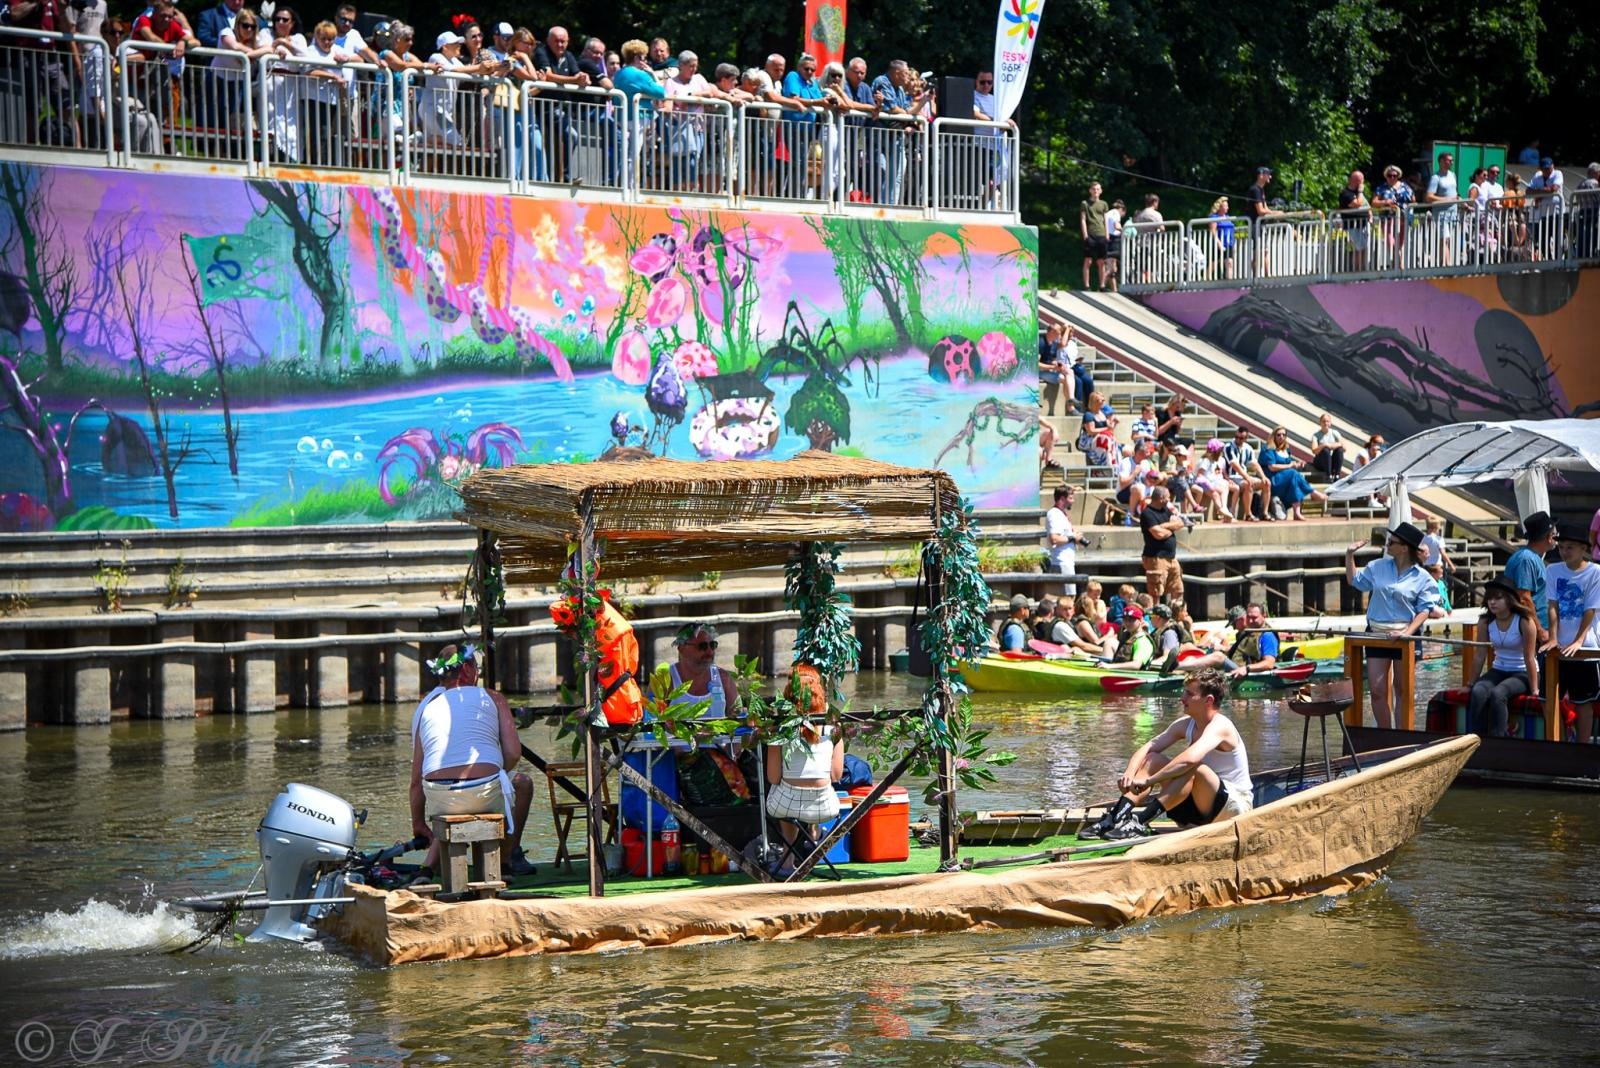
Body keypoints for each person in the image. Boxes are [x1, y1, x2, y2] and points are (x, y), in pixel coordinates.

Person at [409, 643, 536, 878]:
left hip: (440, 797)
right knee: (515, 785)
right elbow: (514, 753)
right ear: (467, 670)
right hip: (484, 791)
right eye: (476, 667)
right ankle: (505, 861)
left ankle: (429, 869)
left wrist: (418, 822)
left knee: (466, 792)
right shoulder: (493, 697)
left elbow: (416, 779)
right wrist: (495, 772)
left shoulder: (428, 707)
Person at [1082, 668, 1253, 840]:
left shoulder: (1221, 725)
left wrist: (1150, 781)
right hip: (1198, 811)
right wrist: (1130, 773)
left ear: (1208, 700)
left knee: (1195, 767)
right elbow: (1149, 747)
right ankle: (1116, 818)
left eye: (1189, 694)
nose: (1182, 699)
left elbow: (1189, 760)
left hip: (1234, 810)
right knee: (1152, 760)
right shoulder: (1186, 724)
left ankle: (1140, 822)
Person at [1347, 522, 1441, 728]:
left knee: (1402, 689)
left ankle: (1402, 734)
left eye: (1392, 542)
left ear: (1405, 548)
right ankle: (1384, 733)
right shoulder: (1377, 566)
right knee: (1377, 688)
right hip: (1377, 634)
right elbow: (1355, 581)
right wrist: (1349, 555)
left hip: (1405, 637)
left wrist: (1407, 632)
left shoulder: (1422, 577)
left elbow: (1425, 610)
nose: (1387, 544)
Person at [765, 671, 845, 867]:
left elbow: (773, 778)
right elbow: (836, 775)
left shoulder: (780, 729)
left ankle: (787, 858)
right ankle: (814, 833)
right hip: (826, 807)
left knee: (783, 788)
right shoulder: (833, 728)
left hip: (785, 806)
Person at [1545, 523, 1600, 745]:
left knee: (1584, 701)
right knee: (1550, 697)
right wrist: (1553, 638)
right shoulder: (1553, 570)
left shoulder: (1595, 572)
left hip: (1586, 646)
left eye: (1570, 548)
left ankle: (1583, 746)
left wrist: (1578, 640)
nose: (1564, 552)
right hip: (1560, 646)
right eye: (1561, 548)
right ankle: (1556, 742)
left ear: (1583, 549)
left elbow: (1590, 609)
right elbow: (1552, 606)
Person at [1466, 574, 1539, 738]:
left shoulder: (1525, 621)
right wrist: (1470, 684)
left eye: (1498, 598)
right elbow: (1480, 655)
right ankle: (1475, 740)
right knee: (1478, 691)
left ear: (1509, 599)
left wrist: (1534, 690)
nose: (1492, 602)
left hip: (1522, 672)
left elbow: (1529, 657)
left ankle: (1498, 739)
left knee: (1498, 694)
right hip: (1498, 669)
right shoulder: (1485, 622)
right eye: (1490, 598)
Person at [1176, 602, 1278, 678]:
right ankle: (1174, 669)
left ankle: (1177, 666)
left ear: (1264, 616)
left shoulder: (1267, 635)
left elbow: (1269, 663)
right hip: (1235, 666)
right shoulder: (1248, 632)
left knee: (1218, 657)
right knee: (1194, 658)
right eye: (1249, 617)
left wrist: (1246, 669)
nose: (1251, 621)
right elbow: (1239, 651)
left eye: (1254, 618)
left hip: (1243, 671)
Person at [667, 623, 740, 720]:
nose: (710, 652)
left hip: (719, 735)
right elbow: (650, 721)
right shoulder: (667, 679)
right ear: (681, 648)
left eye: (712, 645)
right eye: (702, 646)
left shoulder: (723, 678)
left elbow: (739, 716)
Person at [1507, 511, 1556, 642]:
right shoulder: (1526, 559)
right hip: (1530, 631)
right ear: (1549, 537)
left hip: (1535, 628)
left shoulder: (1532, 557)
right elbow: (1524, 597)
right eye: (1555, 534)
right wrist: (1539, 630)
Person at [1261, 426, 1328, 521]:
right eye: (1278, 435)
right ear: (1273, 436)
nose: (1281, 437)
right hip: (1273, 479)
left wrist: (1297, 464)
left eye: (1283, 435)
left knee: (1294, 480)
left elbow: (1289, 464)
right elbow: (1272, 467)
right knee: (1293, 473)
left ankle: (1297, 513)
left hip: (1285, 479)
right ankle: (1312, 492)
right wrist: (1290, 466)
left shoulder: (1286, 450)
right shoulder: (1268, 449)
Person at [1139, 485, 1187, 604]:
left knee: (1178, 589)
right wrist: (1171, 528)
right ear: (1161, 498)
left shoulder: (1165, 510)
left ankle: (1175, 616)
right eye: (1168, 498)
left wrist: (1164, 526)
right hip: (1156, 558)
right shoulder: (1147, 514)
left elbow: (1180, 523)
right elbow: (1158, 535)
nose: (1169, 500)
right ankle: (1155, 619)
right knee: (1156, 593)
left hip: (1171, 558)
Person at [1045, 485, 1089, 594]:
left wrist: (1075, 538)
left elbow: (1064, 537)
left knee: (1070, 597)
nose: (1073, 501)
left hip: (1067, 562)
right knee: (1068, 597)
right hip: (1061, 563)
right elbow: (1054, 539)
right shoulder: (1054, 514)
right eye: (1070, 498)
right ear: (1062, 499)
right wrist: (1072, 537)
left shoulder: (1062, 514)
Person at [1373, 165, 1415, 268]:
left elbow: (1413, 199)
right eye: (1389, 175)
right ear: (1386, 176)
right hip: (1387, 217)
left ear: (1398, 176)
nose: (1392, 177)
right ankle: (1400, 263)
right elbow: (1374, 202)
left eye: (1394, 175)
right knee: (1390, 243)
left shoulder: (1405, 187)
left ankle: (1397, 264)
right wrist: (1385, 202)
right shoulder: (1381, 188)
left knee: (1400, 244)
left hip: (1403, 217)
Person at [1224, 425, 1268, 521]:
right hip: (1232, 476)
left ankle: (1265, 513)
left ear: (1246, 438)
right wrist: (1247, 477)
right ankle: (1248, 514)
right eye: (1236, 437)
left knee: (1267, 483)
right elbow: (1234, 465)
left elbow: (1254, 464)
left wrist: (1263, 476)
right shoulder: (1228, 447)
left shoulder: (1248, 448)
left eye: (1241, 438)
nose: (1238, 440)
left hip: (1243, 476)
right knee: (1248, 484)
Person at [1338, 170, 1371, 272]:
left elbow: (1366, 205)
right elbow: (1358, 204)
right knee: (1359, 248)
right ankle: (1357, 271)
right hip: (1353, 226)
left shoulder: (1358, 193)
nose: (1362, 183)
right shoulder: (1345, 194)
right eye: (1361, 181)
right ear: (1356, 181)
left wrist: (1370, 215)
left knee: (1362, 248)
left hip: (1363, 224)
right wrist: (1360, 191)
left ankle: (1361, 270)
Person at [1081, 180, 1110, 291]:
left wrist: (1107, 234)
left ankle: (1102, 285)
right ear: (1090, 191)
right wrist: (1085, 235)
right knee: (1088, 260)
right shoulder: (1085, 203)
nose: (1095, 191)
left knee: (1101, 261)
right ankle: (1087, 285)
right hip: (1090, 234)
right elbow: (1083, 219)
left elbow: (1105, 220)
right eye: (1094, 189)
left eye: (1098, 189)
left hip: (1101, 234)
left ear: (1101, 191)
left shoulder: (1104, 204)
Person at [1038, 322, 1065, 416]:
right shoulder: (1041, 342)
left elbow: (1051, 360)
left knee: (1070, 374)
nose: (1060, 334)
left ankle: (1071, 403)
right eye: (1059, 332)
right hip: (1039, 372)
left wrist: (1058, 365)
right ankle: (1063, 408)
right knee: (1063, 378)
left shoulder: (1053, 344)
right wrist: (1053, 367)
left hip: (1048, 371)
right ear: (1052, 331)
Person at [1308, 412, 1345, 481]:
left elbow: (1344, 446)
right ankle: (1328, 476)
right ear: (1320, 423)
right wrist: (1324, 445)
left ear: (1330, 423)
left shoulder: (1335, 433)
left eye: (1327, 421)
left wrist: (1330, 445)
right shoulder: (1316, 435)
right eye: (1323, 421)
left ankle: (1337, 475)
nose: (1325, 423)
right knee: (1325, 450)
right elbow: (1314, 450)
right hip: (1320, 462)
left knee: (1340, 450)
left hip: (1331, 461)